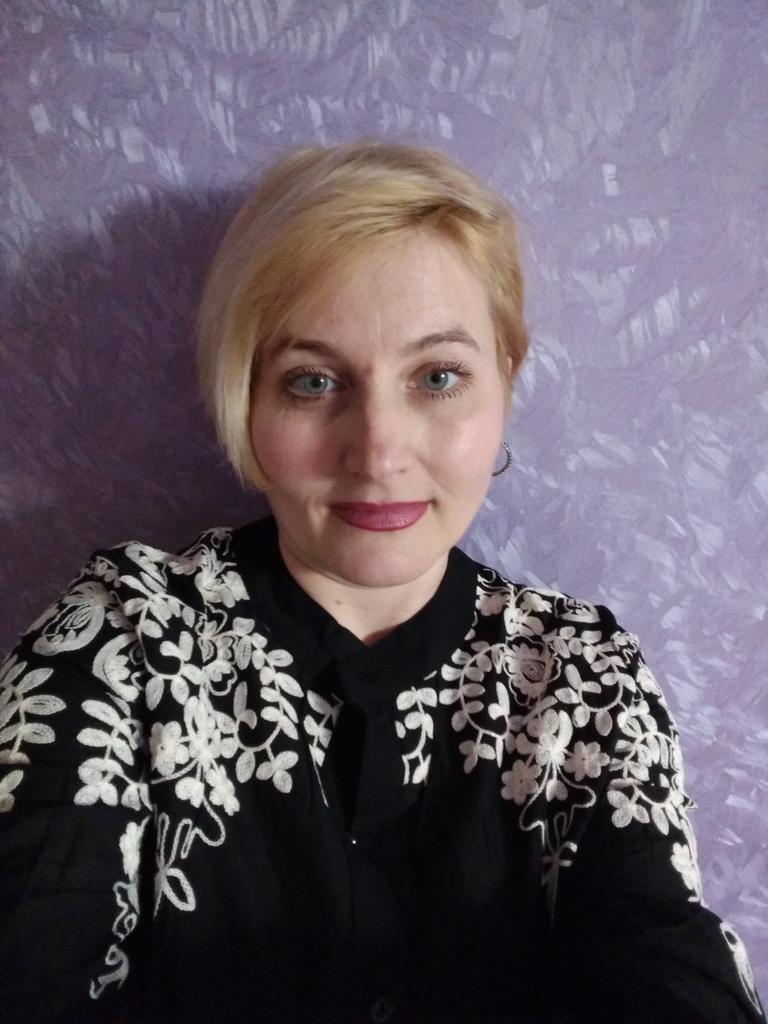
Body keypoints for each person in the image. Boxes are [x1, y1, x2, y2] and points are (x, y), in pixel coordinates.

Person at [0, 140, 764, 1024]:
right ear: (244, 398)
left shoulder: (583, 676)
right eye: (312, 381)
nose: (378, 452)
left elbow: (661, 951)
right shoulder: (117, 647)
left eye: (437, 378)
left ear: (504, 381)